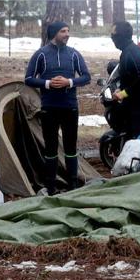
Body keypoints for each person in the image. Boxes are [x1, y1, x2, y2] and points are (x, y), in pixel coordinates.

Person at [25, 21, 90, 195]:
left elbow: (86, 77)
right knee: (51, 148)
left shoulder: (74, 54)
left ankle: (73, 185)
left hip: (70, 107)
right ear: (54, 33)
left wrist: (69, 82)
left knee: (70, 147)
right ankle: (51, 186)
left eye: (68, 31)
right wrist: (48, 83)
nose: (67, 34)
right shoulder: (41, 55)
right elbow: (28, 78)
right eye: (63, 31)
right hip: (49, 107)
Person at [111, 21, 140, 139]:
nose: (113, 39)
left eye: (114, 36)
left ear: (122, 36)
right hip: (132, 108)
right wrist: (120, 89)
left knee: (139, 143)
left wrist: (124, 93)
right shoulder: (126, 51)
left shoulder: (132, 51)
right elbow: (131, 77)